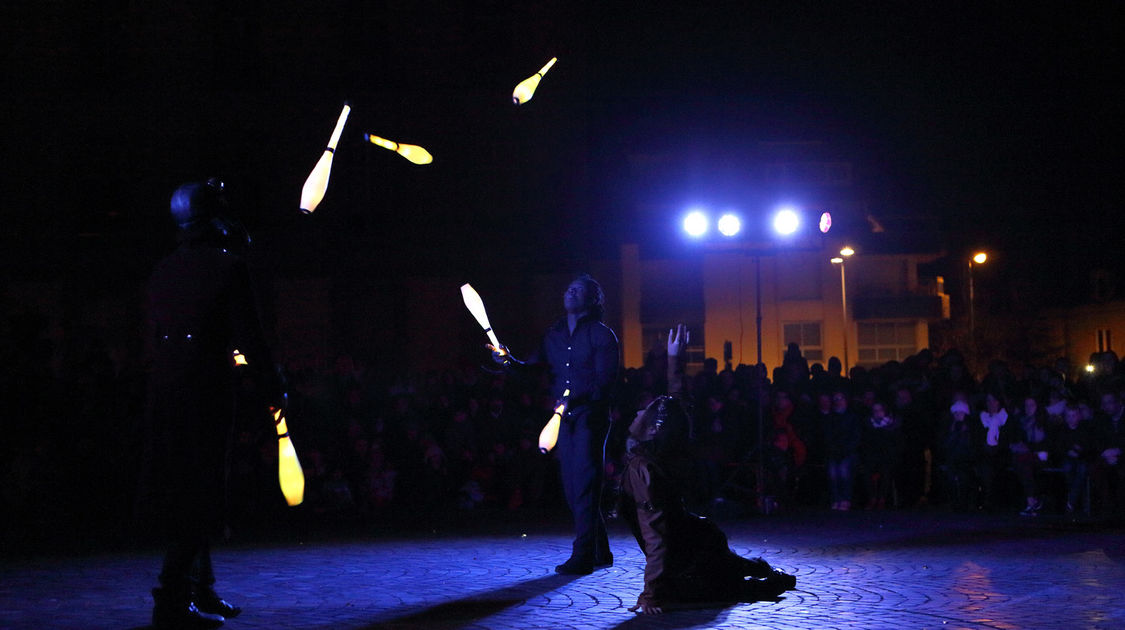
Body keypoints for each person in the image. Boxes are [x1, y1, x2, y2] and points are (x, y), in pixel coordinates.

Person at [139, 179, 282, 629]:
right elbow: (250, 335)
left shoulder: (164, 269)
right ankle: (172, 599)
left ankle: (200, 589)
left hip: (167, 394)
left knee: (189, 490)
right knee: (199, 495)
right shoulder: (227, 267)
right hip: (205, 393)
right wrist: (272, 382)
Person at [621, 325, 796, 614]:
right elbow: (677, 407)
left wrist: (651, 594)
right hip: (698, 537)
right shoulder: (665, 450)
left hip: (690, 552)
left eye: (644, 412)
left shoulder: (645, 467)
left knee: (726, 588)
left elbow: (657, 532)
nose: (638, 412)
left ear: (653, 429)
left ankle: (772, 579)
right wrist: (675, 360)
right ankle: (762, 569)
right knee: (725, 567)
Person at [493, 274, 619, 574]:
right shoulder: (554, 335)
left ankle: (584, 555)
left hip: (590, 416)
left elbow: (605, 383)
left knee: (586, 485)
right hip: (563, 420)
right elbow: (534, 371)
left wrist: (573, 399)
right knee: (572, 487)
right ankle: (601, 550)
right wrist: (508, 361)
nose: (570, 292)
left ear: (592, 299)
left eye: (578, 289)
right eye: (568, 288)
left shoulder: (602, 335)